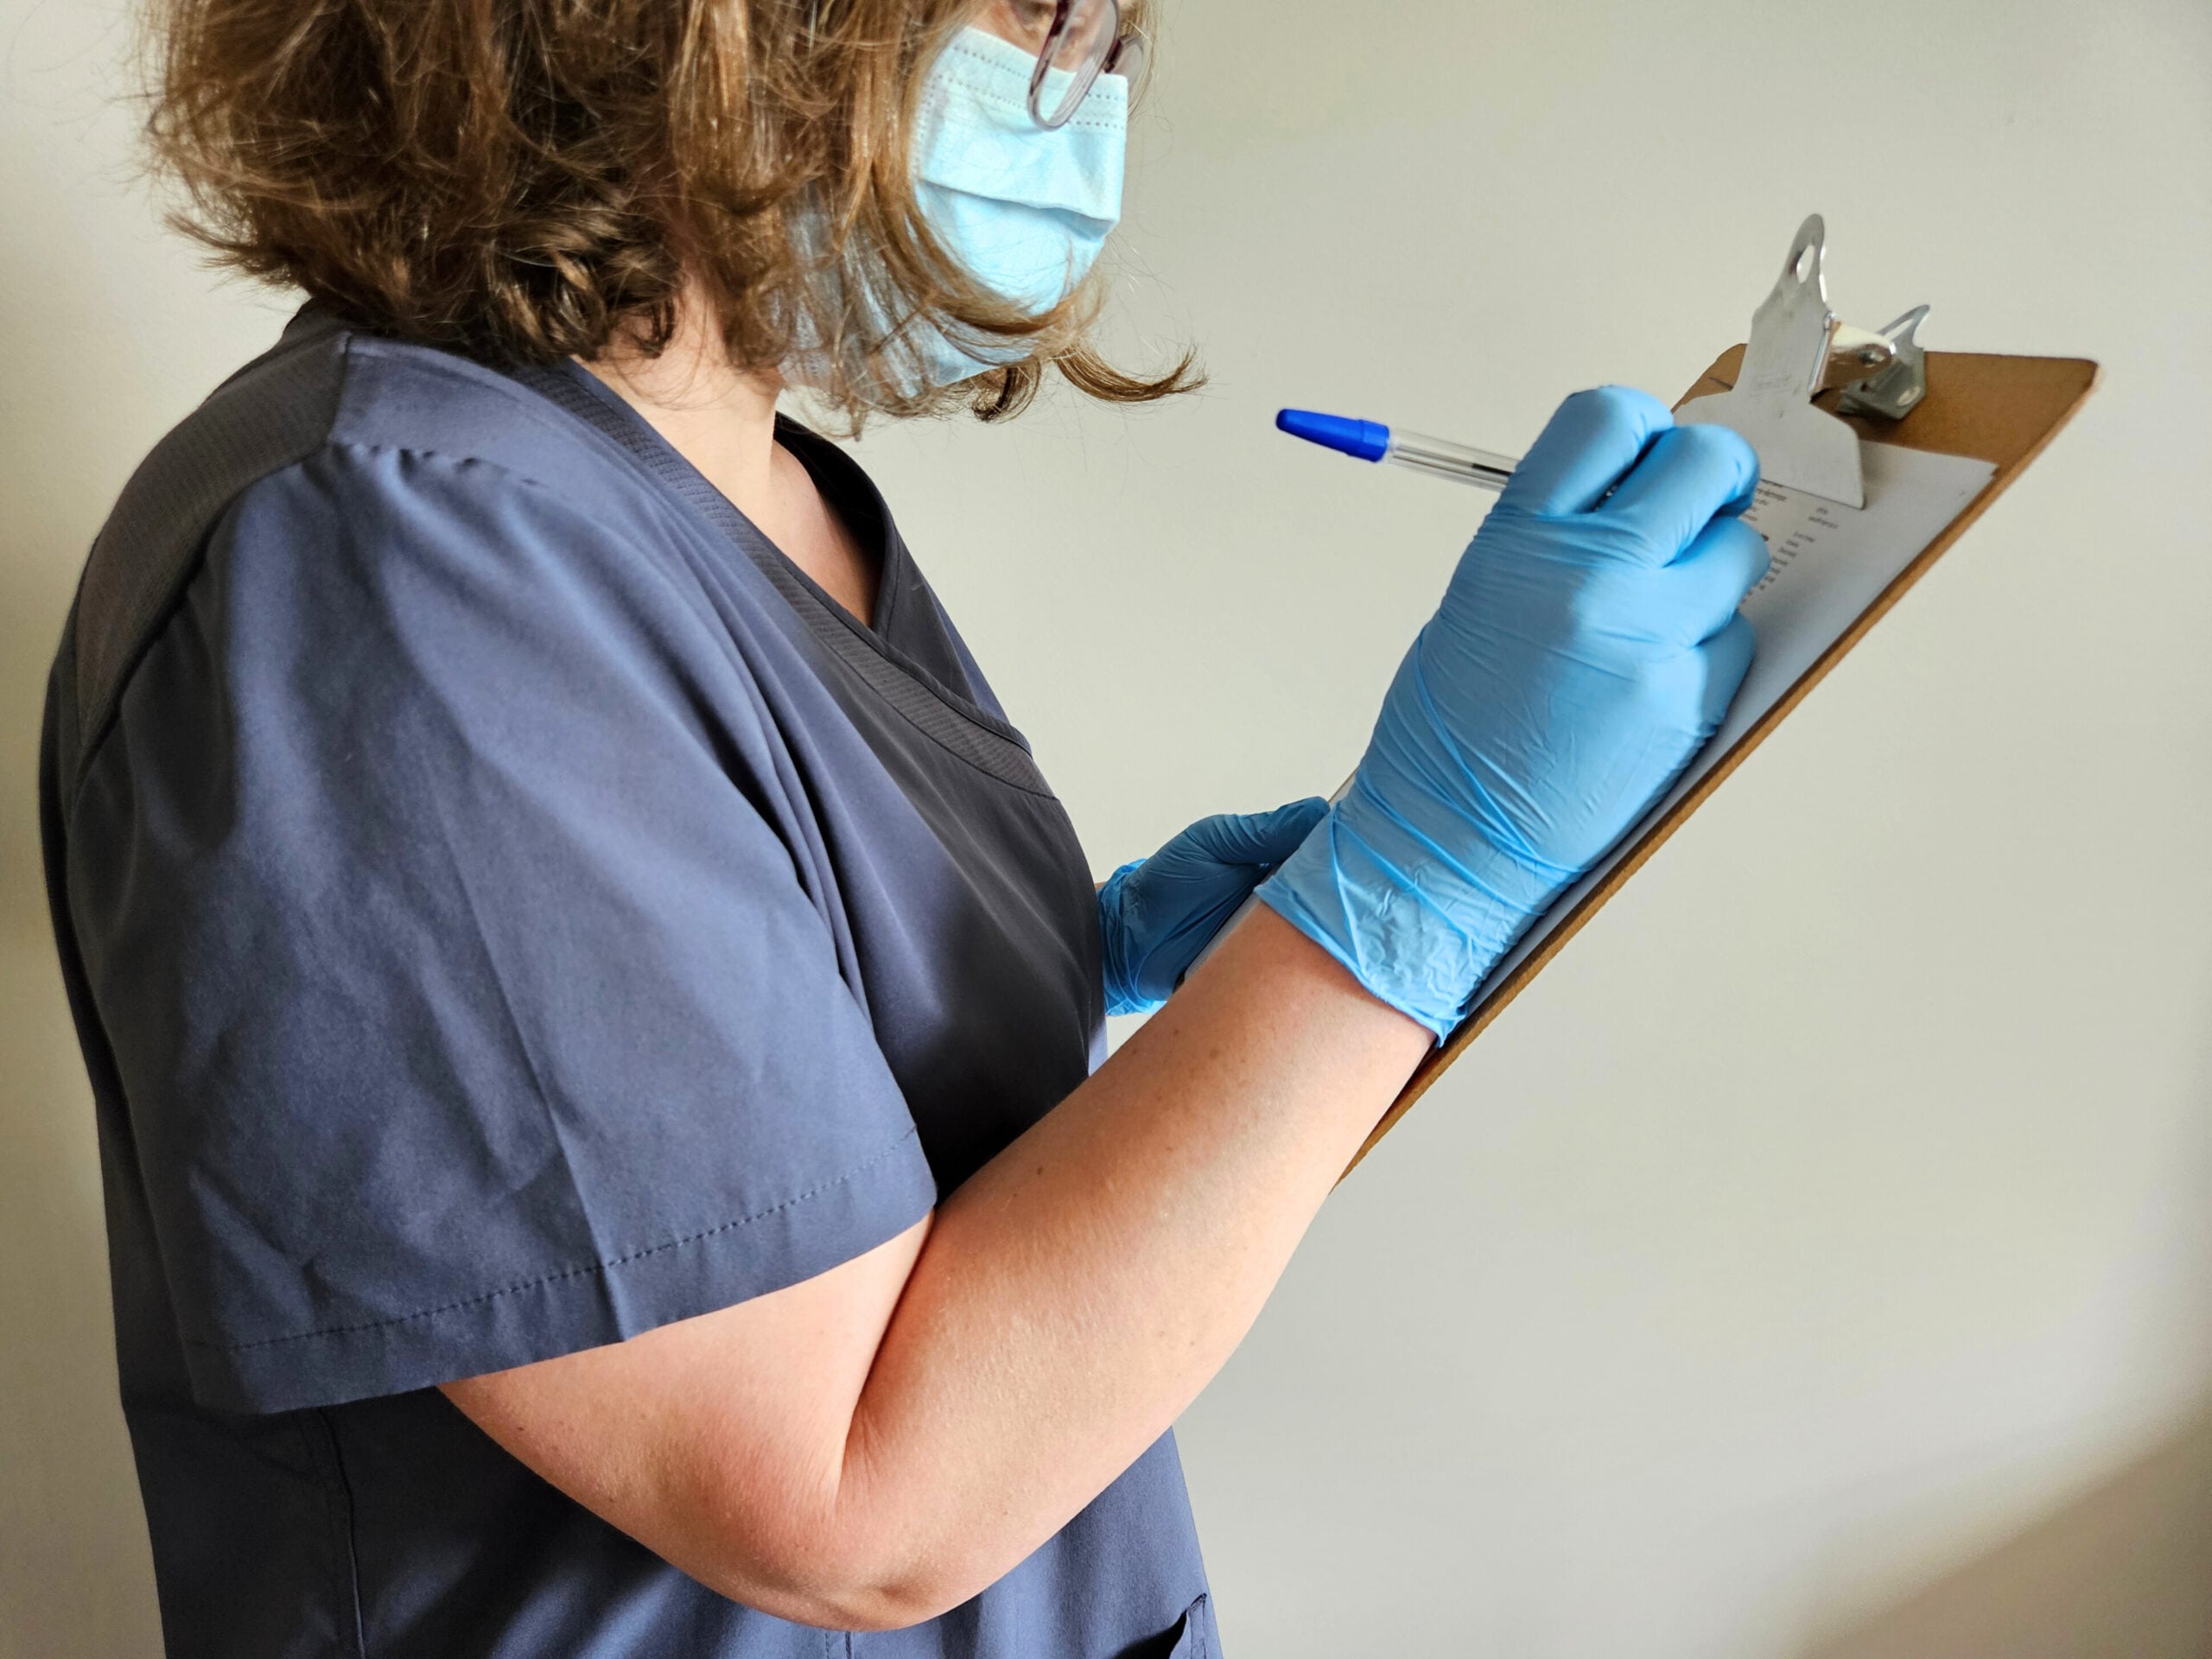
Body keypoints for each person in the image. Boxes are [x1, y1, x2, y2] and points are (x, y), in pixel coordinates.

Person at [37, 0, 1768, 1653]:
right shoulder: (382, 563)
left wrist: (1055, 978)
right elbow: (847, 1498)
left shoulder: (738, 482)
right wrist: (1411, 885)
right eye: (1033, 9)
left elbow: (688, 1127)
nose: (1085, 78)